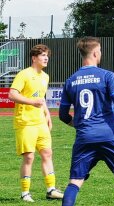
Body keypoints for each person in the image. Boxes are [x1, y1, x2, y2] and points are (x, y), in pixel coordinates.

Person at [59, 37, 114, 206]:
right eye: (99, 51)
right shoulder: (107, 75)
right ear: (95, 52)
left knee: (75, 182)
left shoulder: (71, 80)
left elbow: (63, 115)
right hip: (109, 136)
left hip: (85, 138)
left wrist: (79, 125)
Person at [8, 44, 64, 202]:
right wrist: (31, 102)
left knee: (47, 153)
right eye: (42, 55)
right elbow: (12, 95)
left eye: (47, 55)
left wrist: (47, 114)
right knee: (29, 157)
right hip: (25, 122)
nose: (46, 58)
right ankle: (25, 193)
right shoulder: (24, 74)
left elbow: (41, 98)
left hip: (40, 122)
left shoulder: (45, 77)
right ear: (34, 58)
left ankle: (51, 190)